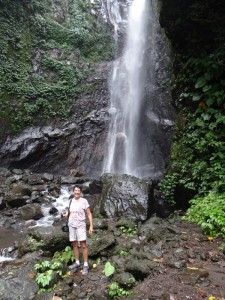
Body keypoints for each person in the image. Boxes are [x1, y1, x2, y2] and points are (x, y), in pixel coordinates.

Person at [63, 186, 93, 275]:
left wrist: (91, 226)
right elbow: (69, 212)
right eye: (75, 191)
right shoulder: (70, 201)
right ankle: (77, 262)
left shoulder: (84, 201)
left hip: (81, 225)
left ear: (80, 192)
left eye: (78, 191)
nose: (77, 192)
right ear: (73, 192)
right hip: (71, 225)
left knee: (83, 244)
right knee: (74, 244)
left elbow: (89, 213)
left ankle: (86, 264)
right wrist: (66, 214)